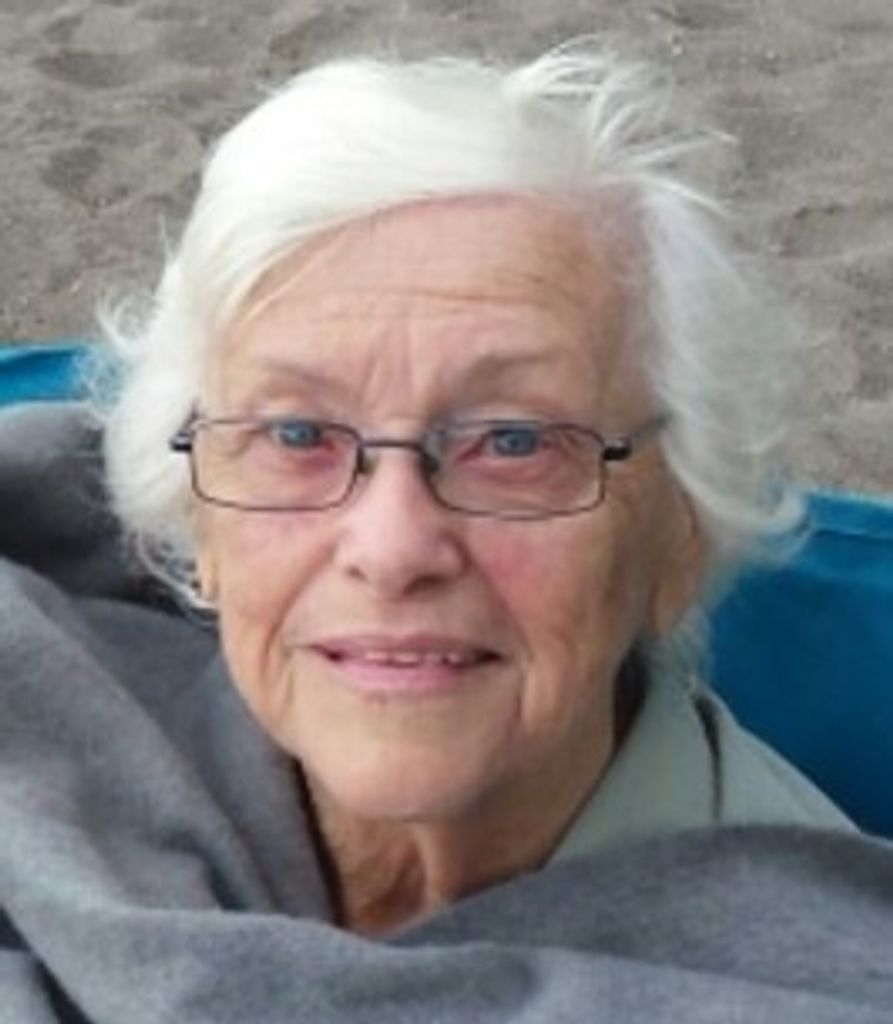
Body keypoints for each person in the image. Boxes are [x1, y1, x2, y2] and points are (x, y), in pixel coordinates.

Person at [2, 43, 891, 1022]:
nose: (389, 550)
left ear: (680, 532)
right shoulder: (45, 717)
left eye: (511, 442)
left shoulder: (817, 977)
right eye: (295, 434)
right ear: (198, 521)